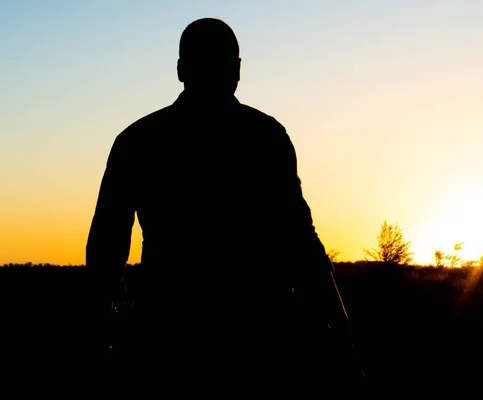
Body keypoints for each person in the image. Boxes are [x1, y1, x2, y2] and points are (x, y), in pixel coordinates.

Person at [86, 18, 362, 387]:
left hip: (173, 339)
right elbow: (301, 243)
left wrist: (99, 331)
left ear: (181, 69)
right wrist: (339, 330)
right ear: (238, 70)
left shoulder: (138, 140)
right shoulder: (265, 137)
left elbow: (106, 247)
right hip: (253, 341)